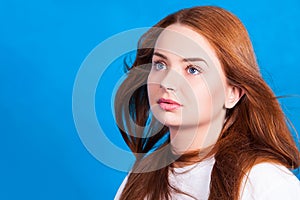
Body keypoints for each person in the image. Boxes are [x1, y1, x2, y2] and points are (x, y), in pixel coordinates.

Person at [113, 6, 300, 200]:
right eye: (160, 64)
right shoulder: (140, 179)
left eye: (192, 69)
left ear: (233, 92)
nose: (167, 82)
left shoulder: (265, 183)